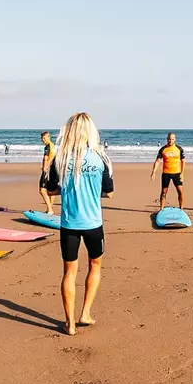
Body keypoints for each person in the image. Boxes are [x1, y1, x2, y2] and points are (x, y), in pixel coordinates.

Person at [44, 112, 114, 336]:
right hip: (94, 223)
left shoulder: (61, 158)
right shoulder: (100, 157)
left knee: (69, 272)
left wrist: (69, 189)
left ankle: (70, 324)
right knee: (95, 266)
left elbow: (52, 189)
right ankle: (85, 313)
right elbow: (109, 193)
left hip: (69, 224)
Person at [151, 132, 185, 210]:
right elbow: (157, 161)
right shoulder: (163, 149)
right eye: (169, 139)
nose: (170, 140)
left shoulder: (179, 149)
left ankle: (181, 209)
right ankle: (161, 209)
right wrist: (153, 172)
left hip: (177, 173)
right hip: (166, 174)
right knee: (163, 192)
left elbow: (183, 161)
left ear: (175, 140)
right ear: (167, 139)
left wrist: (182, 174)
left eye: (172, 139)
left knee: (180, 192)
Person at [38, 131, 57, 214]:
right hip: (54, 170)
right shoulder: (54, 146)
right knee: (51, 190)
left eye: (44, 138)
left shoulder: (47, 147)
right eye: (42, 138)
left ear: (48, 137)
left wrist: (44, 168)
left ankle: (49, 209)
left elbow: (45, 158)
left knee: (42, 190)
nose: (43, 140)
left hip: (47, 170)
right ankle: (49, 209)